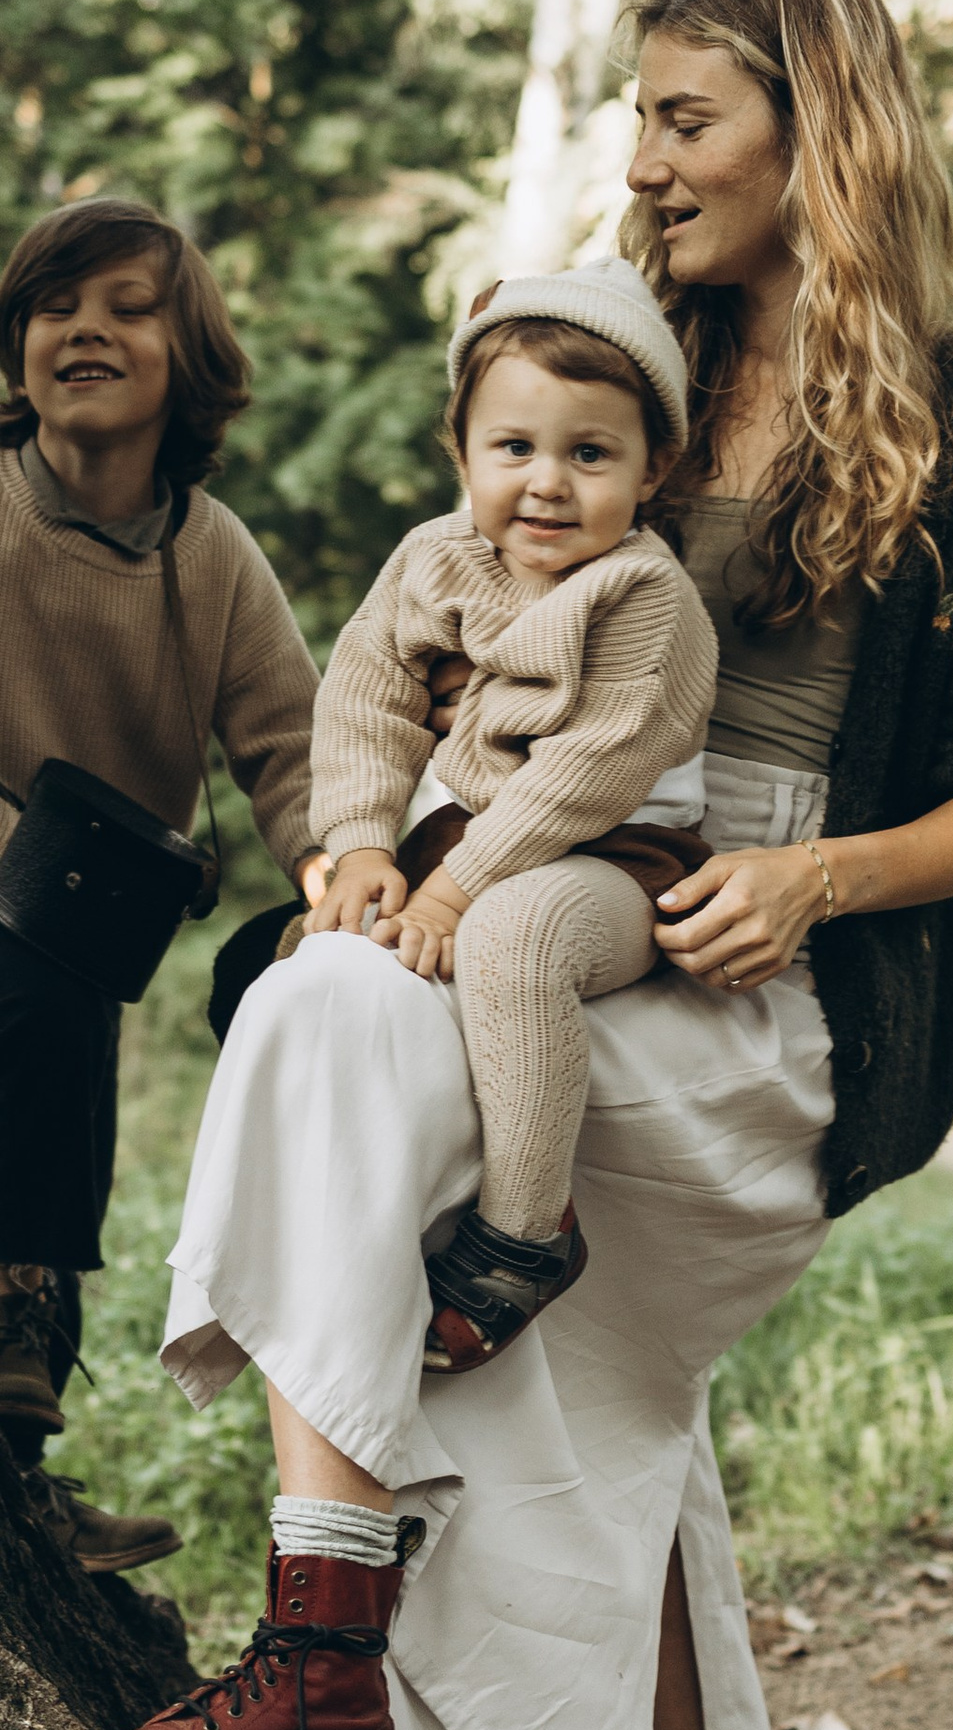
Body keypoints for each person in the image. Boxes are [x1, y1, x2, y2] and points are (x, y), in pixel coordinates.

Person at [29, 0, 953, 1730]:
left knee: (337, 1036)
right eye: (634, 115)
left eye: (681, 117)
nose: (640, 157)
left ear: (810, 129)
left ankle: (321, 1664)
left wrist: (813, 880)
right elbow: (430, 622)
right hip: (529, 920)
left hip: (766, 1006)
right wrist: (375, 832)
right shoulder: (611, 366)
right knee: (617, 1446)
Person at [0, 195, 318, 1569]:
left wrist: (343, 871)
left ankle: (11, 1465)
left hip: (89, 902)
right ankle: (22, 1309)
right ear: (18, 342)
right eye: (55, 304)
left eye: (128, 305)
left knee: (71, 1021)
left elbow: (289, 743)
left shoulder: (210, 558)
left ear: (191, 358)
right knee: (48, 1019)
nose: (84, 327)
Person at [304, 263, 716, 1372]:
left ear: (653, 467)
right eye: (514, 448)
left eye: (590, 455)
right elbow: (367, 695)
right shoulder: (435, 558)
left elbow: (587, 769)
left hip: (619, 861)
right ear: (462, 451)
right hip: (461, 841)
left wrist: (450, 890)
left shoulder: (642, 595)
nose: (547, 484)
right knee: (320, 958)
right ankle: (343, 1211)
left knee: (513, 938)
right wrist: (358, 845)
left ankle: (525, 1232)